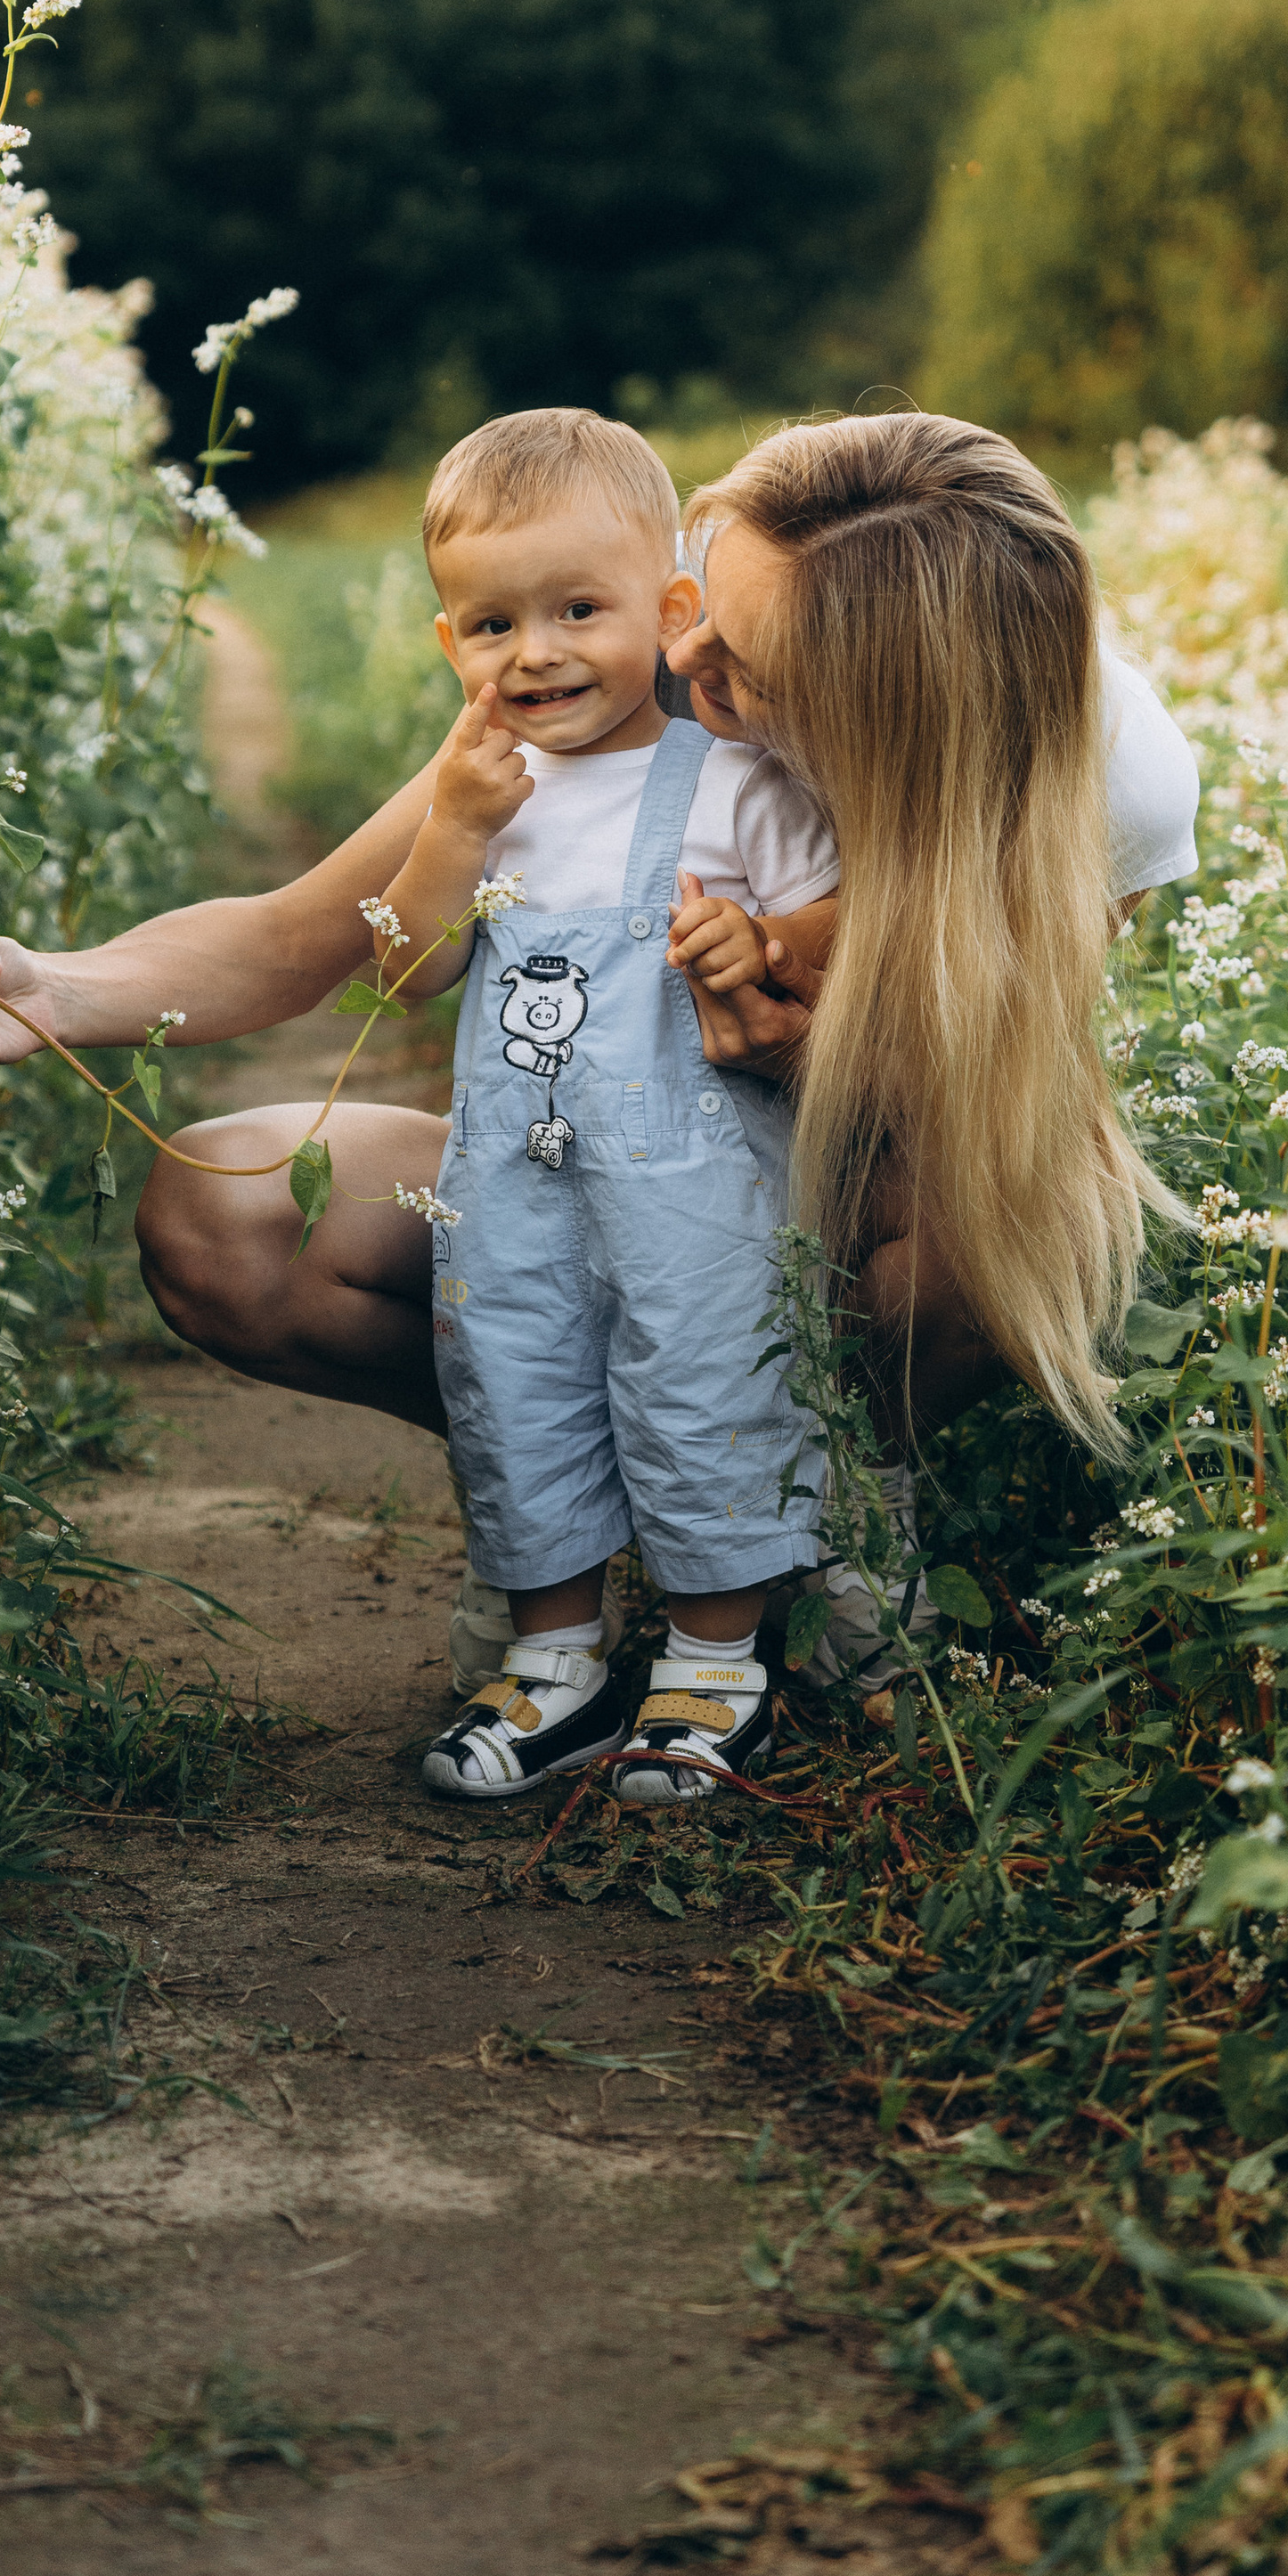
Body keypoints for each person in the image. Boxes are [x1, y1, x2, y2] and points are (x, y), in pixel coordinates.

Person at [0, 410, 1199, 1724]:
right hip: (584, 1176)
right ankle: (575, 1495)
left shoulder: (1105, 785)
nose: (687, 661)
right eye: (693, 606)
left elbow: (991, 1089)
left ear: (887, 713)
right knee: (231, 1214)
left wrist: (804, 1043)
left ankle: (828, 1497)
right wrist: (49, 990)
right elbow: (306, 935)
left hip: (826, 1177)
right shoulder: (622, 655)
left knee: (1032, 1195)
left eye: (747, 667)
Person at [357, 410, 845, 1805]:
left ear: (672, 610)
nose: (541, 651)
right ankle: (555, 1659)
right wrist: (450, 830)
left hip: (696, 1189)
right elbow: (409, 971)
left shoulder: (736, 784)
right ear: (451, 642)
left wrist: (754, 946)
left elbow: (824, 942)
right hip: (514, 1183)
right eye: (493, 623)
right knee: (516, 1389)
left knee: (706, 1384)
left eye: (580, 609)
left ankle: (712, 1666)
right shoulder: (484, 798)